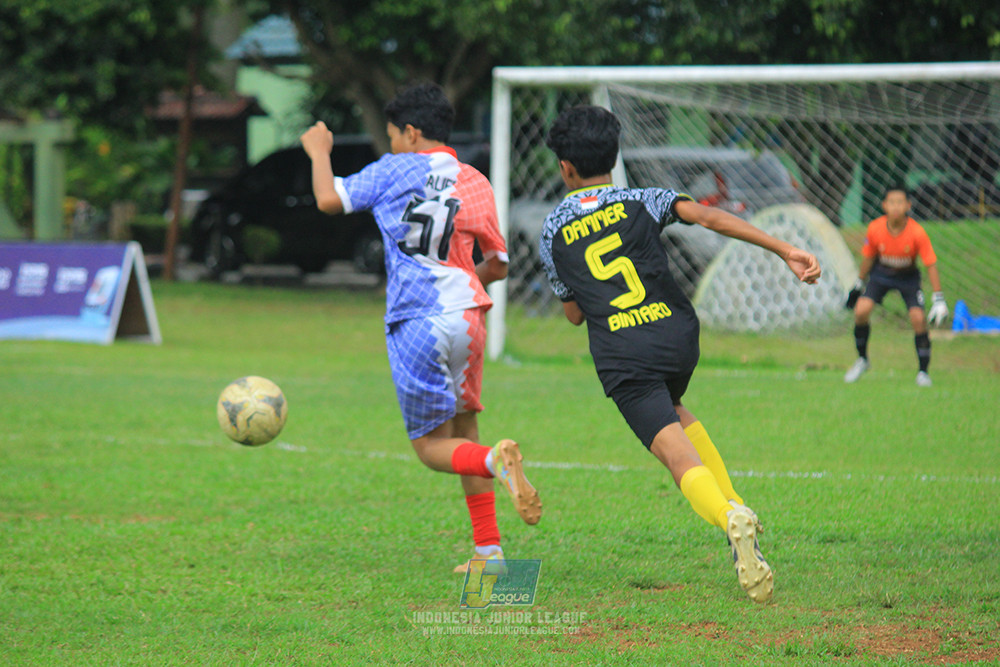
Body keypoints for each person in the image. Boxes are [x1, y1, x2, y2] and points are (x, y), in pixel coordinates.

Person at [539, 105, 822, 603]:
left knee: (672, 454)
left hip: (625, 354)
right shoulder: (643, 199)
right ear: (615, 155)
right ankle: (736, 506)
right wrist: (783, 249)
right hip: (676, 336)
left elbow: (573, 315)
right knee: (673, 409)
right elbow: (708, 216)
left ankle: (728, 516)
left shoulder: (553, 230)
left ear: (565, 168)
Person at [300, 82, 541, 573]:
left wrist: (319, 151)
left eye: (392, 136)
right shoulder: (473, 179)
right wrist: (463, 281)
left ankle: (496, 461)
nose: (391, 145)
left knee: (431, 447)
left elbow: (329, 198)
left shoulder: (393, 170)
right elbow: (498, 263)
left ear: (411, 133)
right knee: (466, 427)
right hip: (470, 319)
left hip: (417, 320)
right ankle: (489, 553)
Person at [844, 186, 948, 386]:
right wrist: (859, 282)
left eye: (900, 202)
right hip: (881, 274)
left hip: (908, 277)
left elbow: (930, 264)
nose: (896, 207)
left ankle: (923, 372)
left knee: (918, 318)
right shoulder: (875, 228)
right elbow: (868, 257)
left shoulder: (917, 232)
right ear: (884, 205)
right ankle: (862, 360)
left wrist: (939, 297)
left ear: (908, 205)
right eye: (891, 202)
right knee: (861, 311)